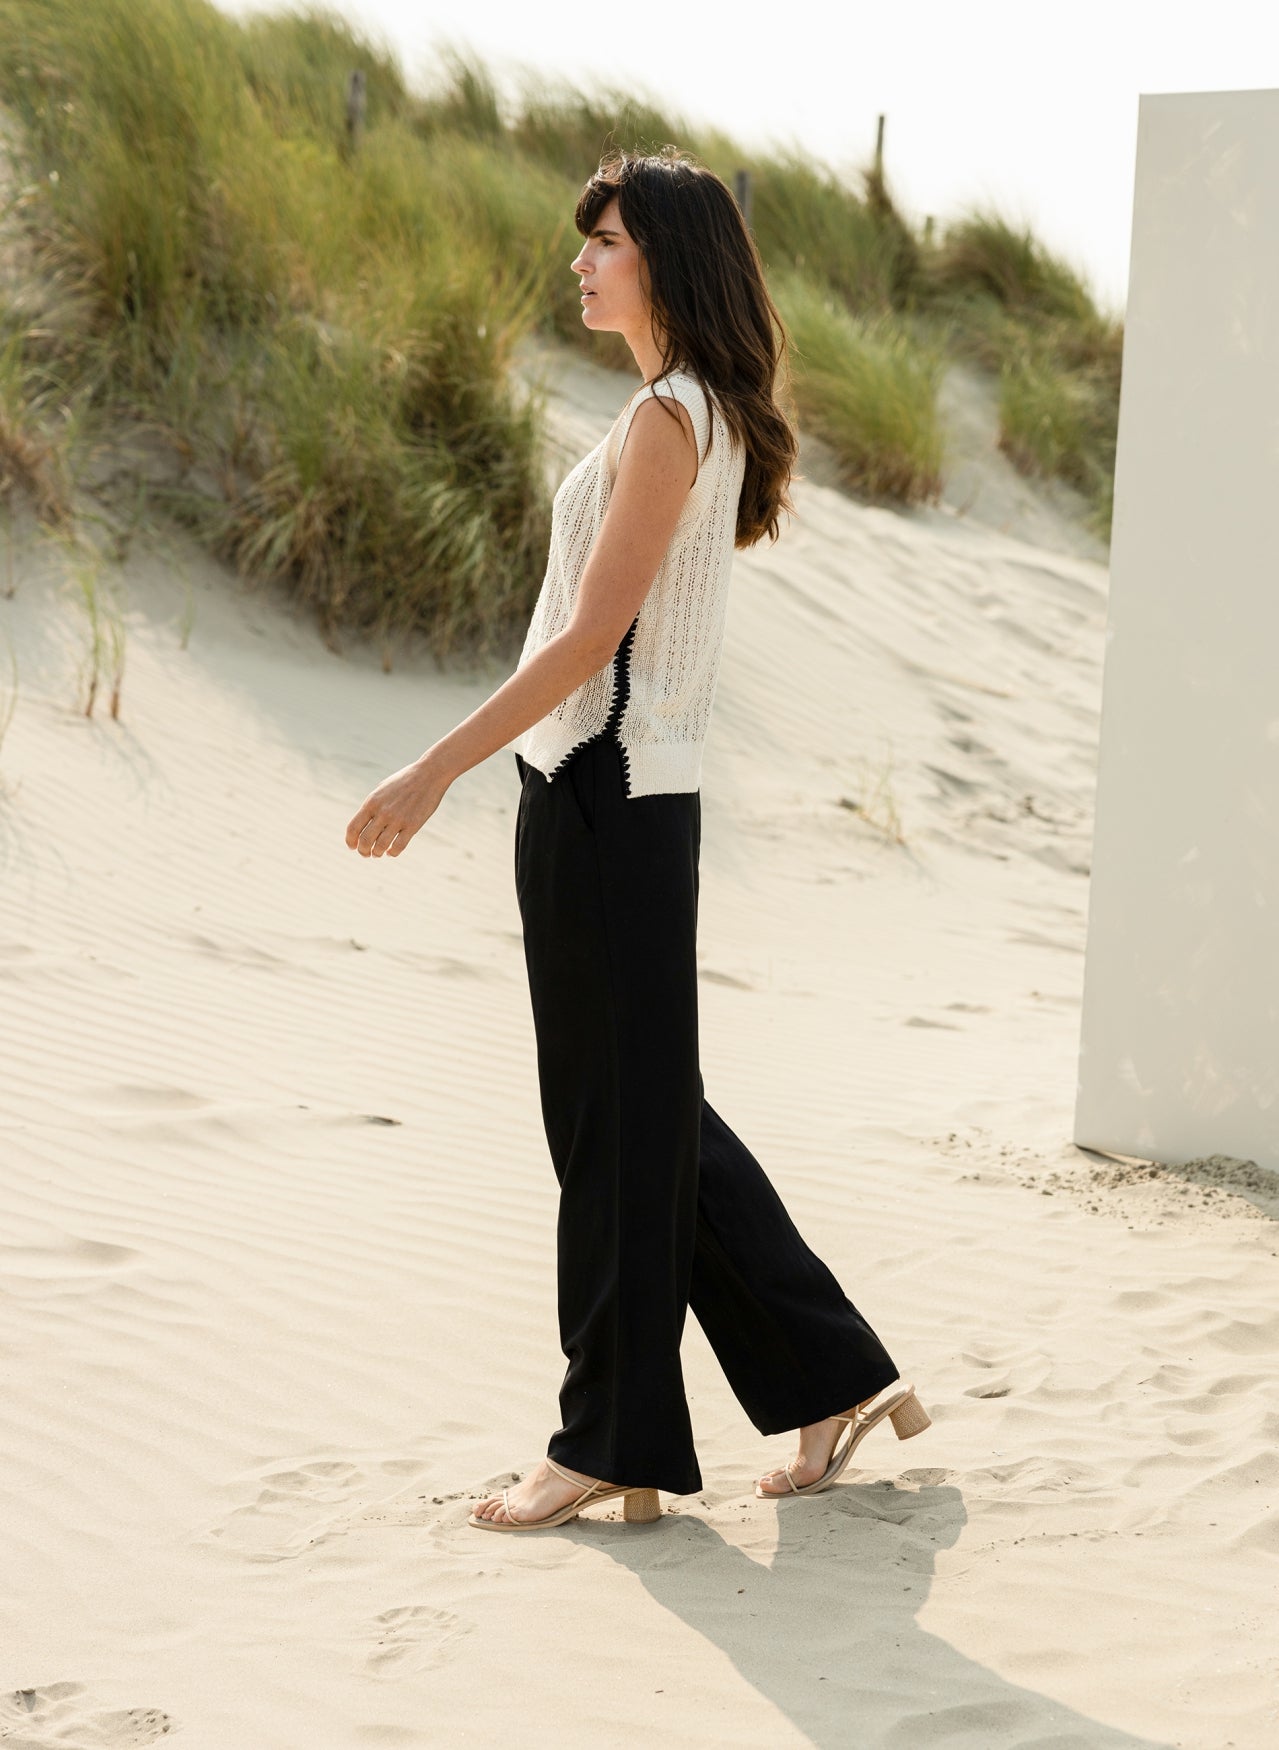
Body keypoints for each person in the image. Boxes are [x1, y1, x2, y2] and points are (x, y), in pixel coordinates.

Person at [344, 146, 930, 1533]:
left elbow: (588, 639)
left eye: (603, 241)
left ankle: (609, 1436)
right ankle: (830, 1377)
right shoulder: (688, 408)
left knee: (611, 1128)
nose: (581, 262)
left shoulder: (671, 419)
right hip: (620, 797)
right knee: (651, 1114)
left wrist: (433, 769)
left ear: (666, 258)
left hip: (603, 793)